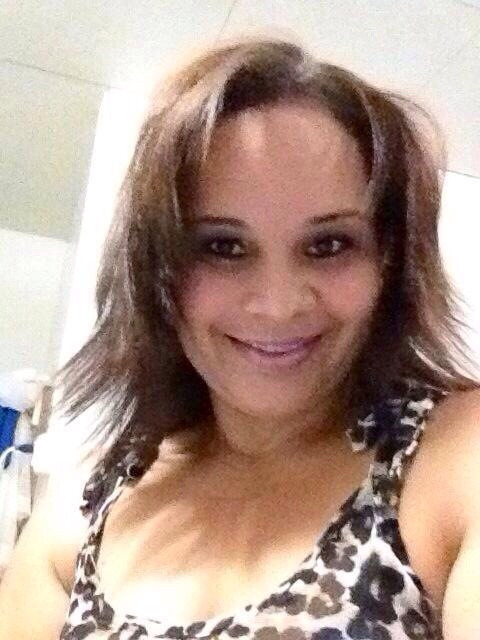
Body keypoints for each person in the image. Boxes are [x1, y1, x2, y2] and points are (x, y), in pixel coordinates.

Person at [1, 36, 479, 640]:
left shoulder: (454, 459)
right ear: (157, 268)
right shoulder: (80, 509)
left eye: (329, 244)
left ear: (388, 262)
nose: (278, 304)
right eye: (223, 247)